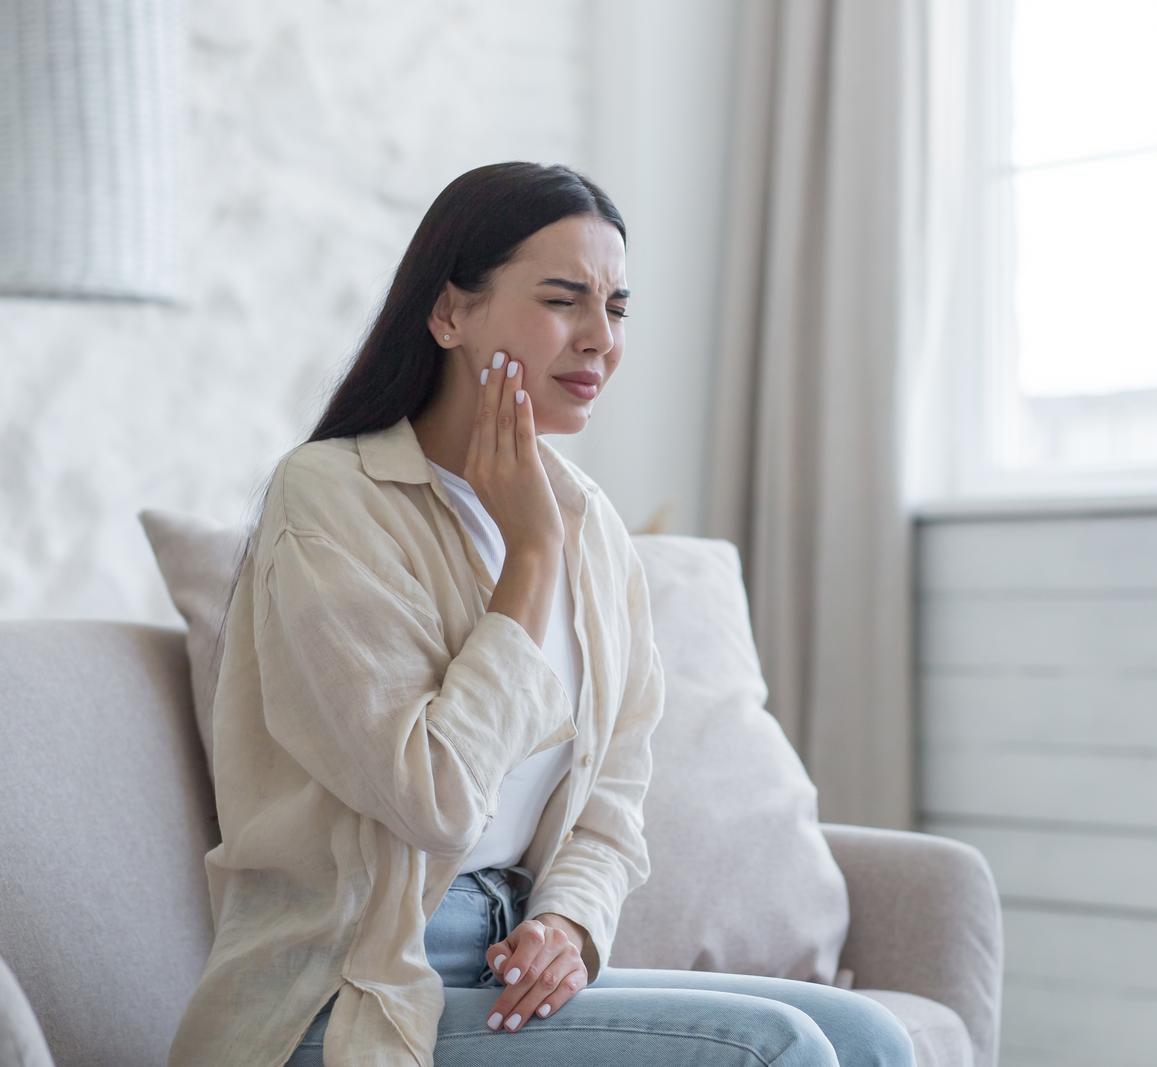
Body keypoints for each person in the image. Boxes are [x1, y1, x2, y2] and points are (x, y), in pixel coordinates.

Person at [166, 161, 916, 1066]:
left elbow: (613, 794)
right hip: (349, 988)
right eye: (565, 300)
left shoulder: (590, 523)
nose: (600, 338)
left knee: (869, 1035)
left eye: (619, 308)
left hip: (504, 964)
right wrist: (528, 557)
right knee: (771, 1049)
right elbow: (434, 797)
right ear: (449, 314)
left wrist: (568, 920)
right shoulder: (332, 499)